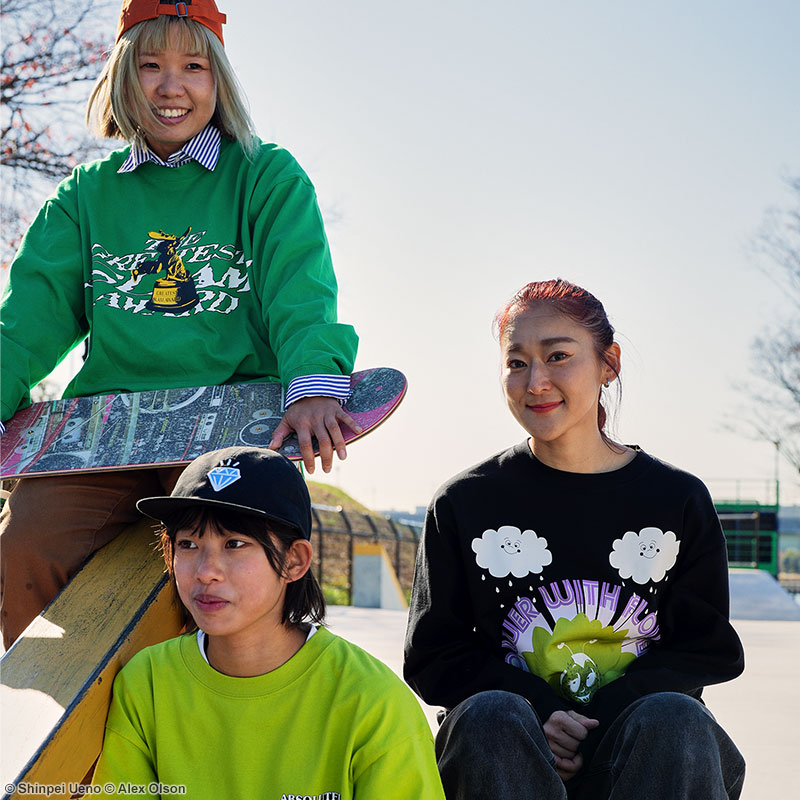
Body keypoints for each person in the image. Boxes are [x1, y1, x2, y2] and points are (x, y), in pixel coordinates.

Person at [0, 0, 359, 649]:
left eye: (193, 65)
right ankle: (65, 733)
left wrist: (312, 381)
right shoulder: (85, 197)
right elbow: (26, 320)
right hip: (112, 427)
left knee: (226, 556)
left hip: (225, 420)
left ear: (217, 75)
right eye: (151, 65)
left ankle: (227, 699)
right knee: (26, 542)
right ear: (121, 76)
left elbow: (299, 289)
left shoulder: (264, 177)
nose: (172, 86)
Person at [403, 278, 745, 799]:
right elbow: (434, 654)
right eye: (517, 363)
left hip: (644, 752)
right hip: (509, 752)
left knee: (675, 717)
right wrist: (541, 714)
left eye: (558, 356)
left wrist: (598, 720)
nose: (536, 380)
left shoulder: (676, 499)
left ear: (609, 363)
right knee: (489, 715)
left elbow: (706, 648)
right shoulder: (465, 502)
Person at [91, 445, 446, 798]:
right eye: (187, 544)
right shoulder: (146, 684)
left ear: (294, 560)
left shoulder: (371, 700)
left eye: (234, 543)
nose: (206, 572)